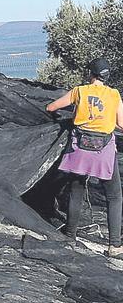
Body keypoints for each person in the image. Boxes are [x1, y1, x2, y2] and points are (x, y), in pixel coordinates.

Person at [46, 58, 123, 257]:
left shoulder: (79, 91)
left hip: (79, 149)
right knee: (114, 196)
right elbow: (121, 123)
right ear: (106, 76)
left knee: (76, 190)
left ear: (91, 74)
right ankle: (114, 245)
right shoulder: (114, 95)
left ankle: (70, 236)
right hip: (104, 151)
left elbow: (51, 108)